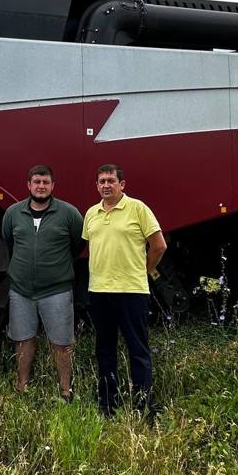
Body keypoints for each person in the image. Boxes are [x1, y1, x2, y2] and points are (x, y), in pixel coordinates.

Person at [82, 164, 166, 417]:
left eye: (110, 180)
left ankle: (143, 405)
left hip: (131, 291)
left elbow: (159, 245)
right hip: (99, 291)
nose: (106, 185)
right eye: (101, 181)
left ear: (122, 184)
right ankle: (107, 404)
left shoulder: (138, 208)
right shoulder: (91, 213)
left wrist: (143, 271)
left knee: (137, 350)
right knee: (104, 350)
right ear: (96, 186)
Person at [1, 164, 83, 401]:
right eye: (36, 182)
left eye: (45, 182)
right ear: (29, 185)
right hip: (21, 290)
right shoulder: (13, 213)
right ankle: (22, 385)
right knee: (23, 338)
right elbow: (9, 243)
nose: (41, 186)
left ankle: (65, 390)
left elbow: (77, 246)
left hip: (56, 289)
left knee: (61, 342)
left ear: (53, 186)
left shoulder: (69, 214)